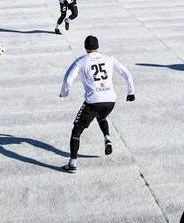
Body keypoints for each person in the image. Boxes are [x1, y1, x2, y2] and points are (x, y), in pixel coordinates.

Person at [58, 35, 135, 173]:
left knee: (77, 130)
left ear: (86, 48)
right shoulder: (109, 59)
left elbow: (68, 78)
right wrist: (130, 92)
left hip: (93, 101)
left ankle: (72, 163)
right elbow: (126, 73)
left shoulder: (81, 61)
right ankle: (107, 138)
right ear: (98, 47)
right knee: (101, 116)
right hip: (110, 101)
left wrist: (64, 93)